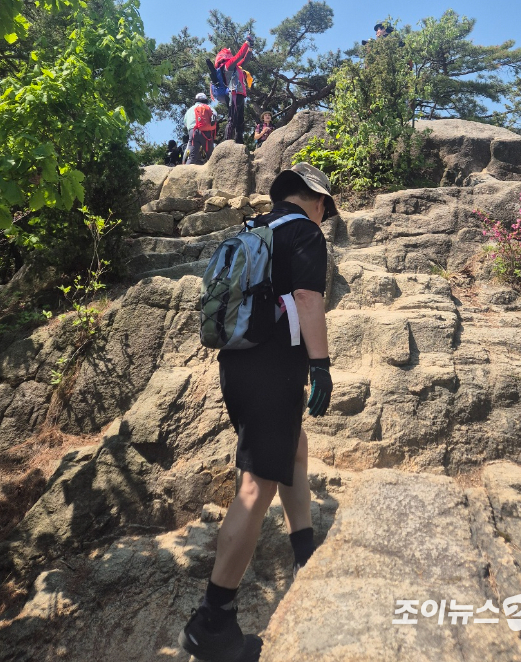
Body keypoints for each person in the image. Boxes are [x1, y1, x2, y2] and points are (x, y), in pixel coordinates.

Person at [178, 162, 338, 661]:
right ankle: (213, 622)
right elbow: (309, 300)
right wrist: (322, 365)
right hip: (274, 370)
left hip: (239, 367)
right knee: (255, 485)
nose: (324, 218)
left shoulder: (256, 231)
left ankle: (303, 549)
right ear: (315, 200)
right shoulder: (305, 235)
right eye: (325, 209)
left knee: (293, 447)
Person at [212, 35, 252, 145]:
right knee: (232, 118)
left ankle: (239, 141)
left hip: (239, 94)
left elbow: (244, 60)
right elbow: (239, 56)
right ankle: (227, 141)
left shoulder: (234, 67)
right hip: (233, 94)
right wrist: (247, 42)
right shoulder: (227, 65)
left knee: (240, 120)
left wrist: (250, 48)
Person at [184, 93, 218, 166]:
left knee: (191, 157)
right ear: (205, 100)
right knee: (211, 157)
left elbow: (185, 124)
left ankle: (184, 173)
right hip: (206, 133)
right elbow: (215, 115)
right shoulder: (208, 107)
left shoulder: (189, 110)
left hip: (193, 133)